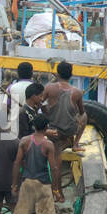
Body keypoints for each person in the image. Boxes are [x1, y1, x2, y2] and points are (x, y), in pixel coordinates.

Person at [12, 115, 59, 214]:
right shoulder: (48, 145)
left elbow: (17, 163)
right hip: (43, 184)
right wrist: (56, 189)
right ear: (46, 128)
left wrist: (14, 184)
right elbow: (54, 168)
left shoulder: (25, 141)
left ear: (34, 127)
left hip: (27, 182)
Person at [41, 61, 86, 201]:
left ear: (57, 74)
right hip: (68, 131)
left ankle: (57, 191)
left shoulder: (49, 88)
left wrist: (47, 112)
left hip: (52, 130)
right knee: (85, 116)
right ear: (71, 74)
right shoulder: (76, 92)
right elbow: (81, 112)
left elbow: (41, 104)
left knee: (56, 162)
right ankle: (76, 143)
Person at [7, 62, 34, 137]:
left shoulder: (11, 88)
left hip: (13, 126)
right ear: (32, 73)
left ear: (18, 74)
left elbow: (5, 107)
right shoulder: (37, 88)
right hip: (31, 127)